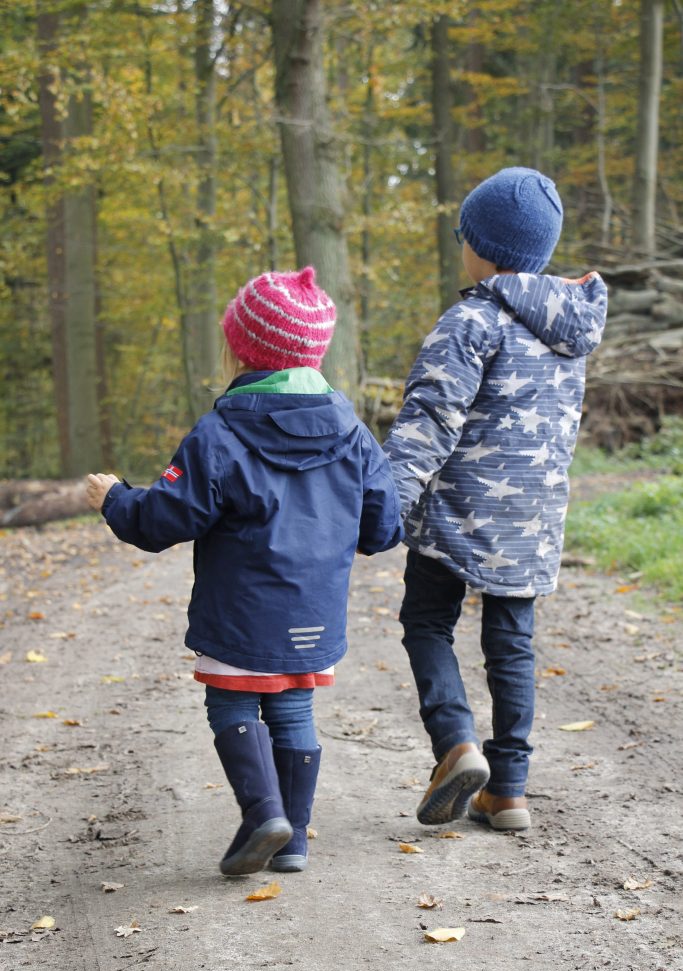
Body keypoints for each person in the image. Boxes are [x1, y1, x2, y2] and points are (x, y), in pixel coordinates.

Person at [86, 266, 403, 875]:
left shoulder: (221, 432)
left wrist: (115, 498)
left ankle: (263, 813)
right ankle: (297, 838)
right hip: (313, 615)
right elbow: (383, 529)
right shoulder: (354, 433)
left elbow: (163, 520)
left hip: (240, 613)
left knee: (231, 707)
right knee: (294, 710)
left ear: (240, 348)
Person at [383, 167, 608, 831]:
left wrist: (387, 505)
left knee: (427, 622)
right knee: (511, 645)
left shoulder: (471, 321)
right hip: (530, 521)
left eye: (463, 236)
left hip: (454, 514)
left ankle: (455, 744)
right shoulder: (569, 333)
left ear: (479, 247)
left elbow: (430, 417)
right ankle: (507, 789)